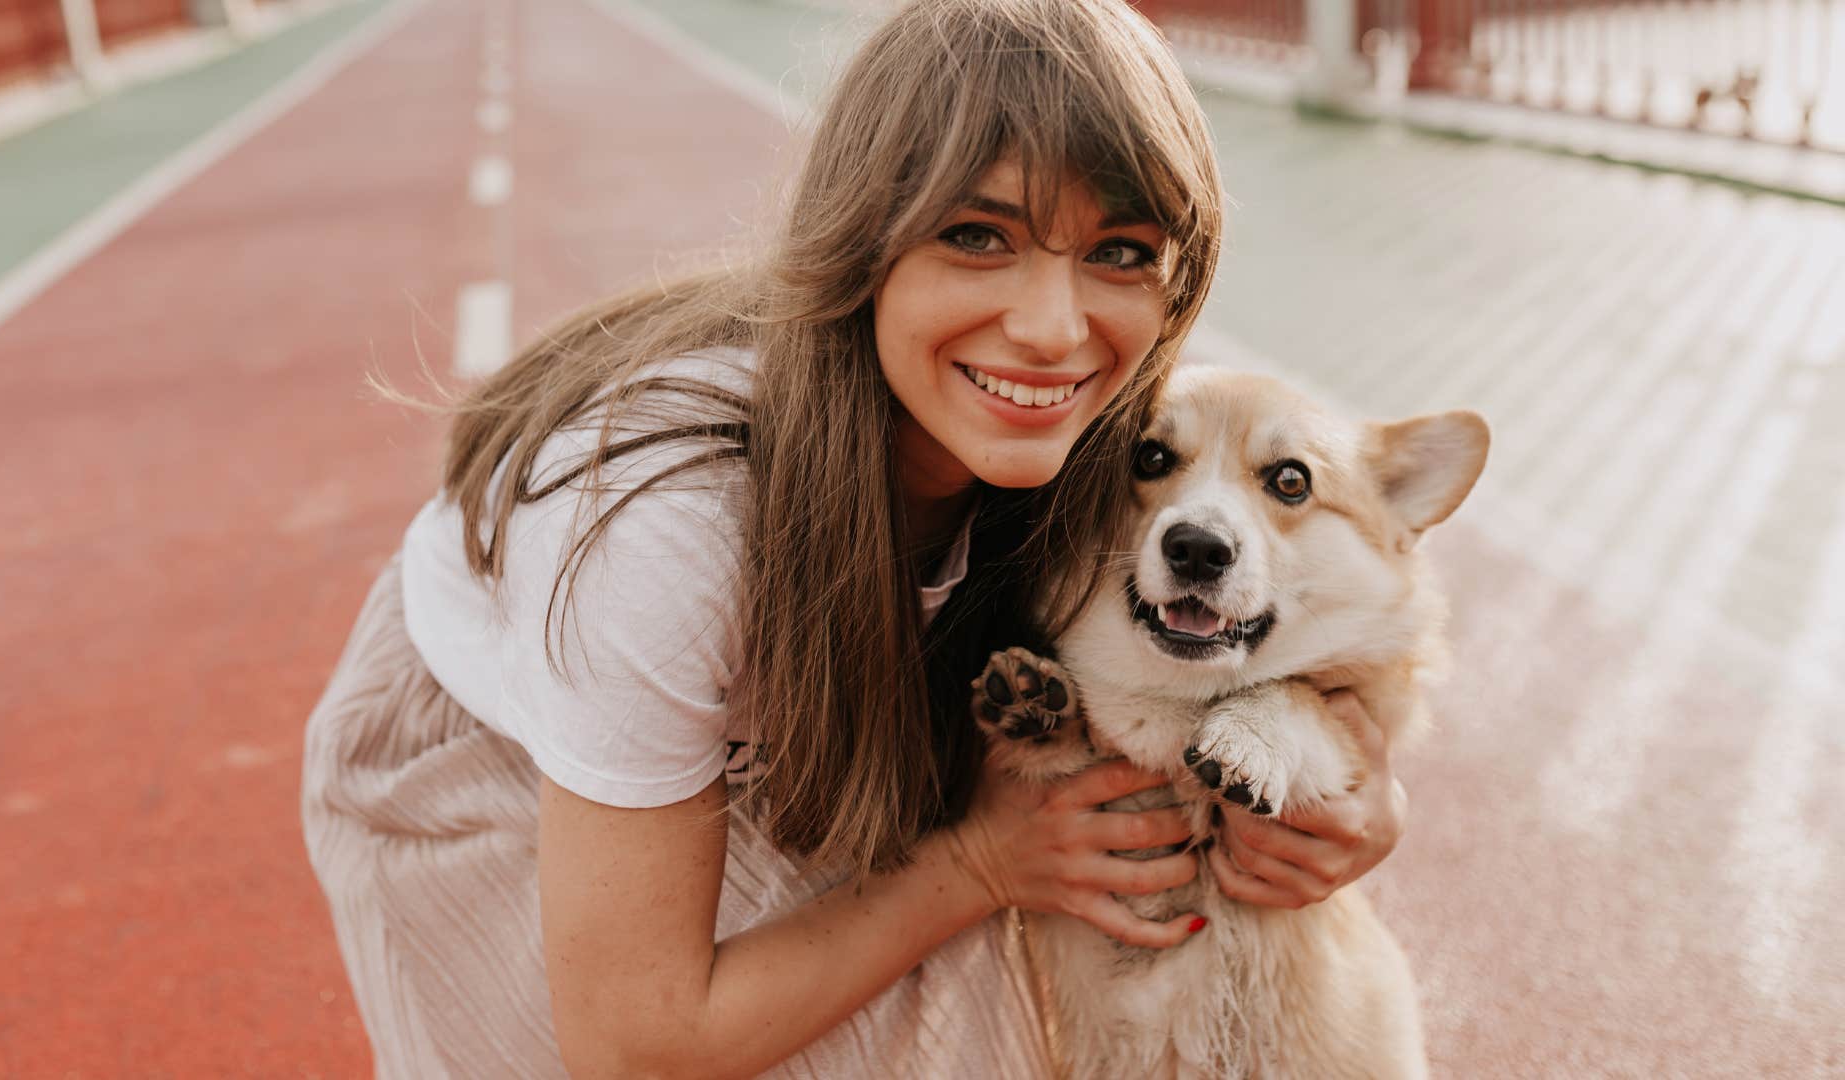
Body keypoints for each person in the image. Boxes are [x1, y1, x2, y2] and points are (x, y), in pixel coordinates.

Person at [301, 0, 1409, 1076]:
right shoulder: (665, 533)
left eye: (1118, 252)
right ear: (861, 242)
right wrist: (974, 863)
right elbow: (637, 1043)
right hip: (492, 766)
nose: (1050, 327)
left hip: (786, 708)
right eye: (978, 236)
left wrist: (1359, 799)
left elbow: (1299, 649)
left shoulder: (1114, 430)